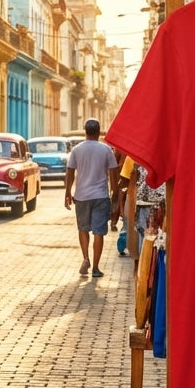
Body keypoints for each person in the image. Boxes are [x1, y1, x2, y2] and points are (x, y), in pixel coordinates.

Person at [63, 118, 119, 278]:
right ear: (99, 131)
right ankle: (95, 267)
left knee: (83, 228)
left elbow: (70, 172)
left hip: (81, 196)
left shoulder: (77, 150)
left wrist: (67, 192)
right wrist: (115, 193)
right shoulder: (106, 149)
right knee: (98, 232)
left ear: (85, 131)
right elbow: (113, 172)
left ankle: (85, 258)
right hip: (101, 195)